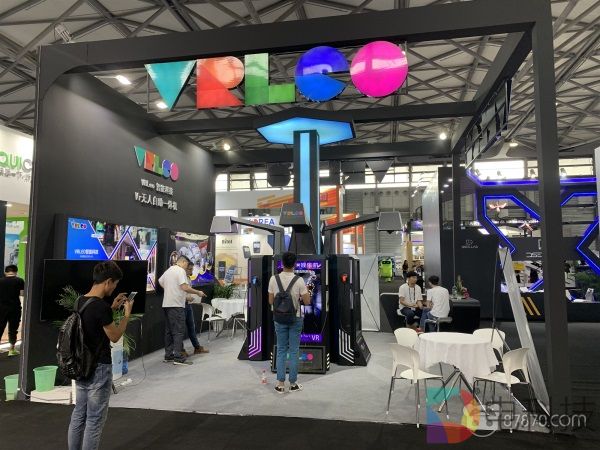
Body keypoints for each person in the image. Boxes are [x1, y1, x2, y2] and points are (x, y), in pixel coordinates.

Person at [68, 261, 133, 450]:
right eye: (114, 284)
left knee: (79, 415)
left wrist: (111, 308)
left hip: (81, 365)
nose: (114, 289)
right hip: (99, 368)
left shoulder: (80, 301)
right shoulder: (100, 307)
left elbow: (93, 322)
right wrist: (126, 315)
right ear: (108, 282)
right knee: (94, 420)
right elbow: (115, 336)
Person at [268, 252, 310, 394]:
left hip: (279, 319)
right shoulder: (299, 280)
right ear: (294, 264)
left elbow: (270, 301)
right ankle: (293, 384)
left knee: (281, 349)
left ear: (282, 263)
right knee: (293, 351)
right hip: (295, 318)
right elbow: (307, 301)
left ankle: (280, 384)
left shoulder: (273, 279)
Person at [159, 255, 206, 365]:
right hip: (177, 305)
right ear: (183, 262)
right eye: (187, 265)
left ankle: (168, 355)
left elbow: (160, 282)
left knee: (169, 331)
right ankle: (178, 357)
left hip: (167, 304)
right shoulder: (180, 270)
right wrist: (198, 292)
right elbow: (185, 287)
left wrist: (171, 290)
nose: (187, 267)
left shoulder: (169, 270)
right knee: (178, 331)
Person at [182, 264, 209, 357]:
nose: (191, 271)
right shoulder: (180, 278)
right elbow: (177, 291)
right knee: (180, 329)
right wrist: (186, 297)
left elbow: (188, 291)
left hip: (188, 305)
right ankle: (181, 350)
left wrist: (195, 297)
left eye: (192, 269)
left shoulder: (188, 278)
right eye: (190, 269)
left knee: (191, 327)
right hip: (180, 305)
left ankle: (197, 347)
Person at [0, 265, 25, 356]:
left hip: (1, 308)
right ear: (16, 272)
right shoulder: (20, 280)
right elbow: (22, 294)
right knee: (13, 329)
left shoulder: (0, 281)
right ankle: (11, 350)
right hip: (15, 308)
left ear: (5, 272)